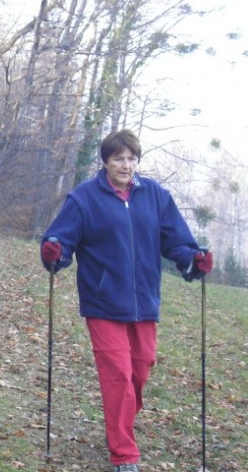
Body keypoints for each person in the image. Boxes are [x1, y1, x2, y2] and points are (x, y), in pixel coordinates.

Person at [39, 129, 213, 472]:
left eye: (132, 158)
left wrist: (193, 259)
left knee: (140, 370)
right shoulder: (84, 198)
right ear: (105, 160)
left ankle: (118, 425)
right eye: (118, 158)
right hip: (103, 302)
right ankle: (123, 453)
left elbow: (176, 241)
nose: (126, 165)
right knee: (117, 374)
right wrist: (54, 253)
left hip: (144, 300)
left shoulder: (156, 197)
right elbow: (59, 241)